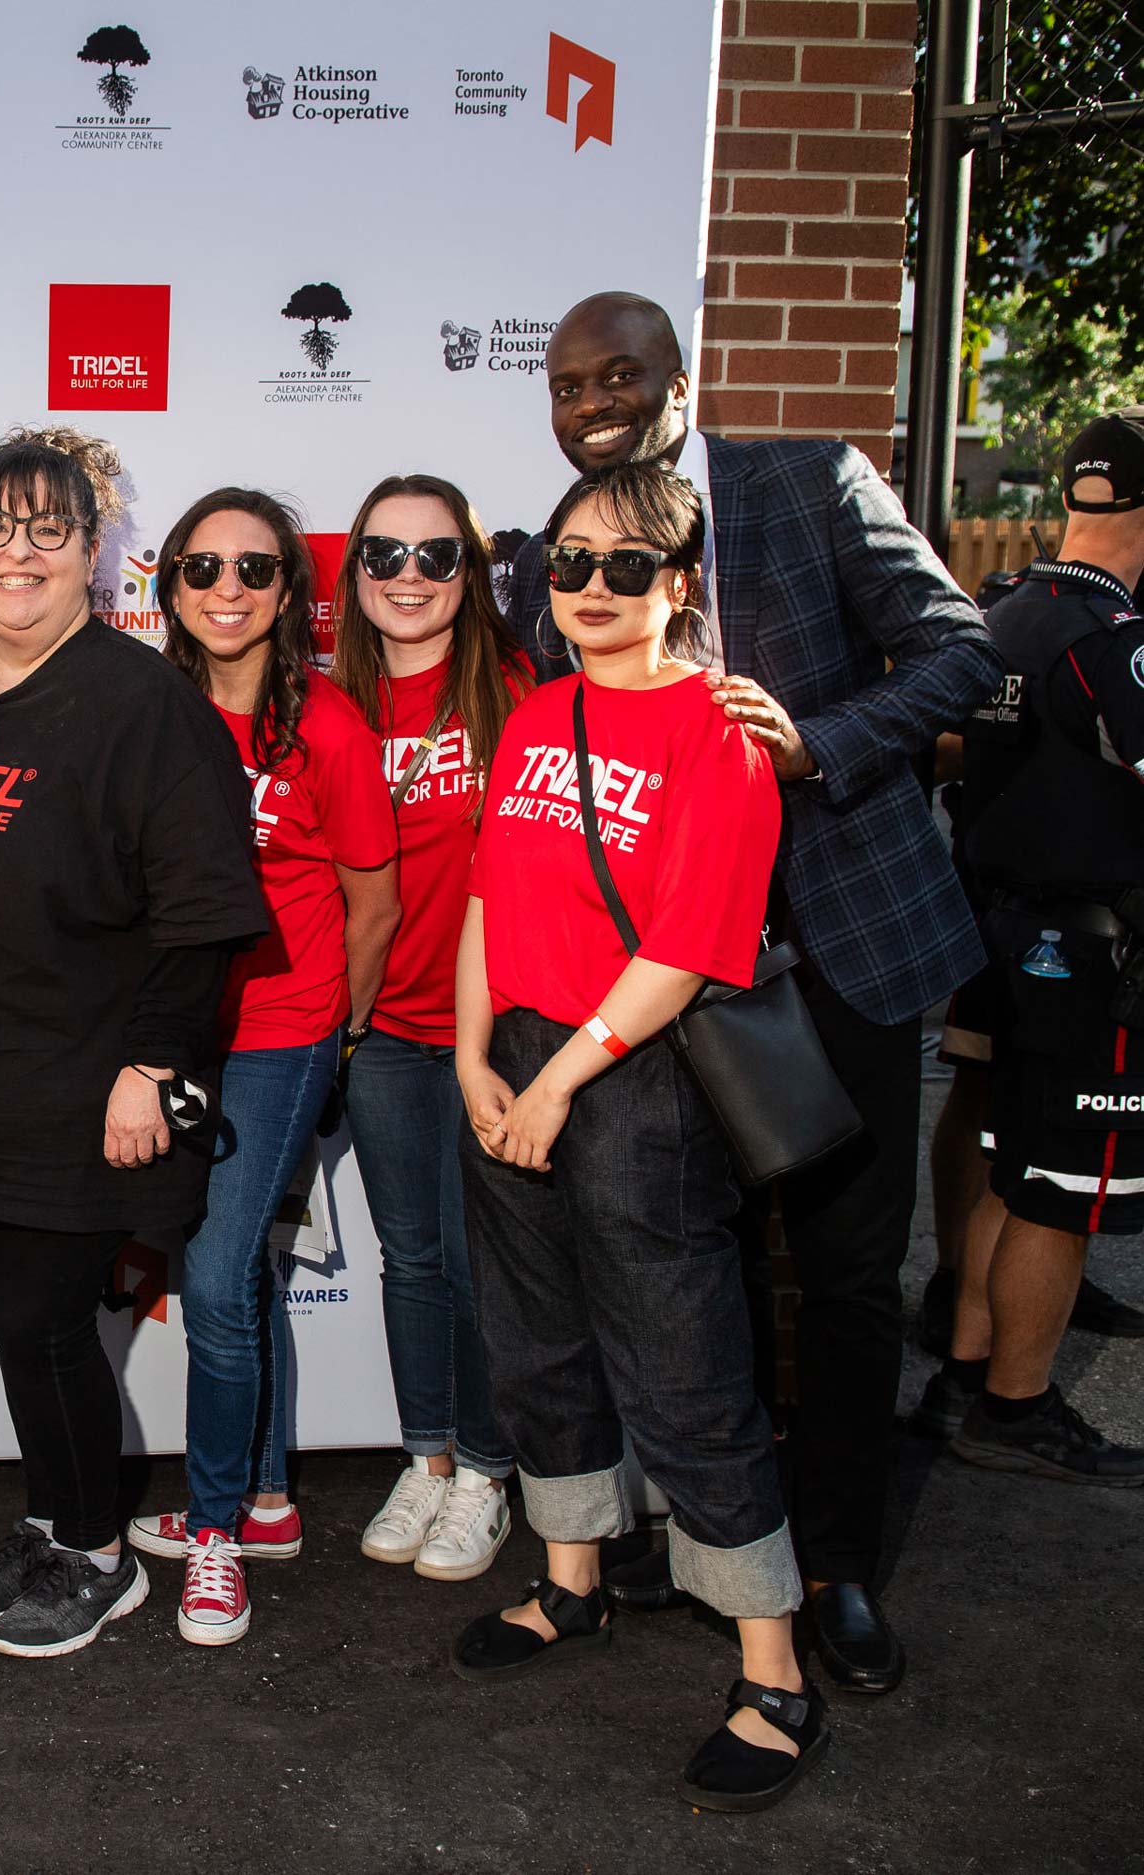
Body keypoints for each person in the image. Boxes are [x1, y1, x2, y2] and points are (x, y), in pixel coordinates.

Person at [509, 291, 1002, 1694]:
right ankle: (728, 1538)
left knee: (845, 1270)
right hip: (670, 967)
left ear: (680, 375)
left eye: (618, 375)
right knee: (692, 1260)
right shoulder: (568, 545)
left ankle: (839, 1565)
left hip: (838, 936)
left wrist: (819, 744)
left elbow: (969, 649)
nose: (591, 401)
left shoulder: (807, 477)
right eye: (565, 385)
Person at [0, 427, 267, 1660]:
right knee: (23, 1322)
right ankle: (51, 1517)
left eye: (46, 530)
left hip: (79, 1091)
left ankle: (93, 1551)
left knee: (37, 1317)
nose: (15, 554)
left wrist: (151, 1068)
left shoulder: (149, 710)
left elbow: (200, 924)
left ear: (94, 552)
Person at [456, 461, 823, 1811]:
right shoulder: (536, 710)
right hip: (516, 1053)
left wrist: (558, 1083)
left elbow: (688, 945)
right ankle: (572, 1583)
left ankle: (774, 1668)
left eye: (625, 566)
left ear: (678, 585)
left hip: (638, 1074)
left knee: (682, 1361)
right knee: (538, 1334)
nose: (592, 588)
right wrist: (470, 1054)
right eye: (570, 563)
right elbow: (492, 886)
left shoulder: (716, 730)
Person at [118, 487, 399, 1647]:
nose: (226, 591)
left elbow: (372, 907)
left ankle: (220, 1532)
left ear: (290, 592)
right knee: (228, 1275)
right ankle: (270, 1496)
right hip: (168, 1037)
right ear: (167, 589)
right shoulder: (144, 713)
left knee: (223, 1275)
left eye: (254, 570)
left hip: (281, 1030)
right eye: (200, 570)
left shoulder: (328, 726)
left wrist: (332, 1038)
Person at [918, 408, 1144, 1484]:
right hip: (1084, 951)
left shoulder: (1000, 609)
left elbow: (948, 745)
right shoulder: (1114, 641)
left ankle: (971, 1370)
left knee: (1013, 1160)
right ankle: (1013, 1404)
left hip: (992, 921)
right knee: (1061, 1187)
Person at [326, 474, 529, 1580]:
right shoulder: (328, 707)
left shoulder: (518, 692)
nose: (409, 577)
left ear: (471, 572)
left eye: (436, 556)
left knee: (471, 1261)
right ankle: (429, 1458)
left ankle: (491, 1472)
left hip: (491, 1033)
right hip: (382, 1032)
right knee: (410, 1258)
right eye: (384, 556)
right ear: (354, 575)